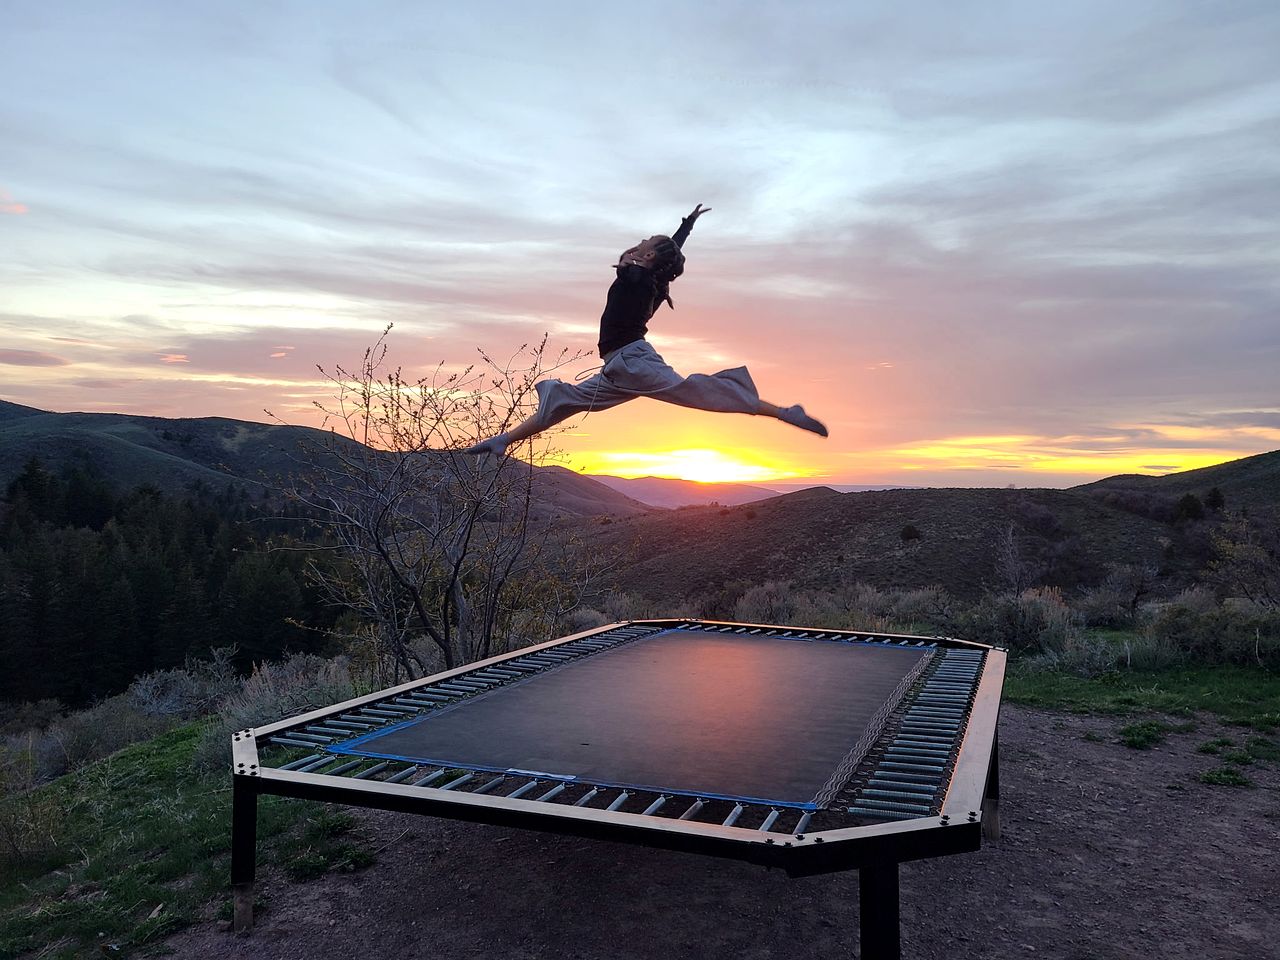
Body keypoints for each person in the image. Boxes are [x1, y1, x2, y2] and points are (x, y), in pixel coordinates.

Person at [462, 204, 827, 457]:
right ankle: (503, 441)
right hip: (620, 367)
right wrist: (686, 226)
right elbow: (667, 253)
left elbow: (656, 255)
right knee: (564, 401)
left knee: (692, 391)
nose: (639, 242)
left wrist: (651, 250)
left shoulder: (636, 277)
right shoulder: (647, 278)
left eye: (645, 243)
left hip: (632, 362)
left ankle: (783, 412)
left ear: (648, 257)